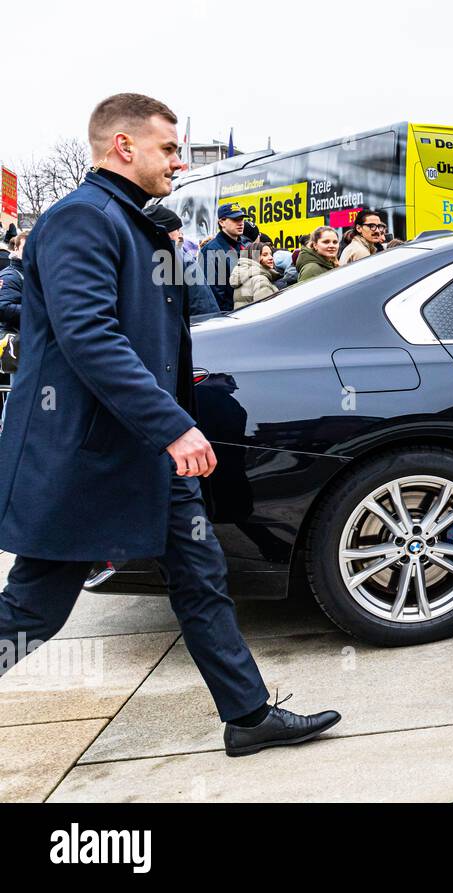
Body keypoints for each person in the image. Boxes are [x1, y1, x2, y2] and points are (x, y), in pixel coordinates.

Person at [0, 93, 339, 757]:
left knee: (201, 577)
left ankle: (248, 714)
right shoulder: (82, 220)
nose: (179, 162)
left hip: (144, 451)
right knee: (33, 608)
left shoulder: (135, 223)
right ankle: (248, 711)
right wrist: (174, 426)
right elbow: (88, 336)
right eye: (168, 148)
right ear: (123, 146)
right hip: (85, 458)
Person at [144, 203, 219, 316]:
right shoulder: (183, 258)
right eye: (177, 229)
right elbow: (202, 303)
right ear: (164, 232)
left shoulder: (135, 255)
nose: (181, 234)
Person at [199, 202, 249, 312]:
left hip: (248, 310)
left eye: (242, 219)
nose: (241, 223)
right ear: (222, 222)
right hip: (229, 315)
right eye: (235, 219)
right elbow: (213, 293)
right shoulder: (211, 250)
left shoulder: (245, 244)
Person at [230, 243, 280, 307]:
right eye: (265, 255)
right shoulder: (260, 280)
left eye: (271, 254)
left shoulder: (244, 277)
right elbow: (266, 309)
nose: (271, 258)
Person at [0, 231, 27, 332]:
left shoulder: (34, 273)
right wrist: (36, 308)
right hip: (14, 338)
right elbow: (2, 308)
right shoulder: (10, 275)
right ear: (16, 249)